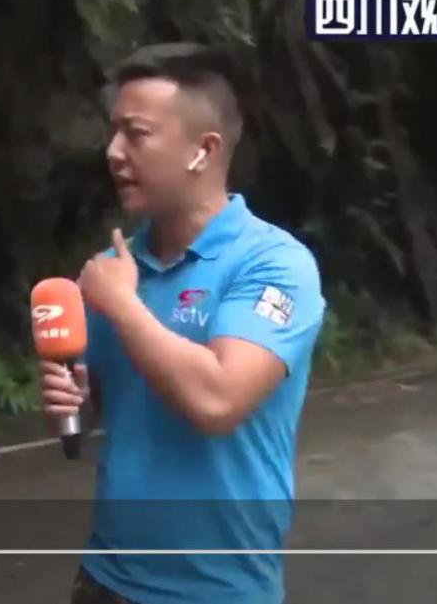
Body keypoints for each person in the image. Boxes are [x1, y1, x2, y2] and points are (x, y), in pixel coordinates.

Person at [41, 43, 326, 603]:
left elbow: (217, 401)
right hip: (105, 580)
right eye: (113, 132)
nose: (113, 153)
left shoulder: (274, 264)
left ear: (204, 149)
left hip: (218, 590)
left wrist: (123, 306)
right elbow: (95, 414)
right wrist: (71, 403)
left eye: (137, 134)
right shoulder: (114, 269)